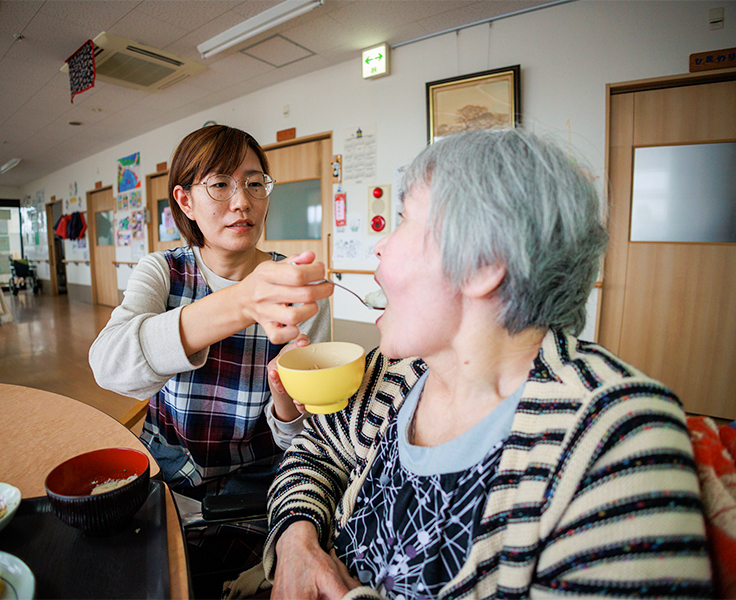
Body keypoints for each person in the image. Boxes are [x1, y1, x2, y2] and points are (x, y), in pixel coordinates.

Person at [262, 129, 713, 599]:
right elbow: (315, 451)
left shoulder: (616, 440)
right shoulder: (399, 373)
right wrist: (298, 539)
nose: (380, 246)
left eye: (402, 221)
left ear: (482, 265)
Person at [88, 124, 332, 597]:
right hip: (168, 470)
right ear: (184, 201)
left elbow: (309, 436)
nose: (241, 201)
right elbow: (109, 364)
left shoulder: (296, 286)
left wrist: (286, 404)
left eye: (255, 182)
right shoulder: (162, 270)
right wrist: (242, 303)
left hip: (258, 483)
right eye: (220, 184)